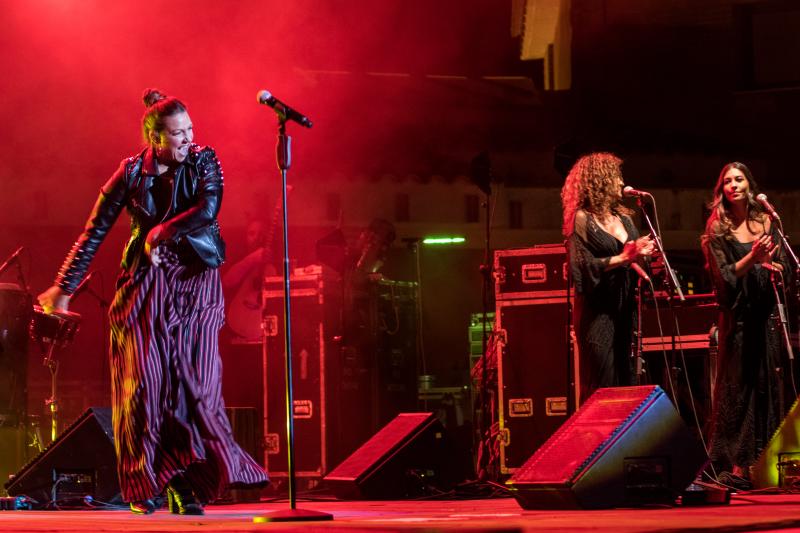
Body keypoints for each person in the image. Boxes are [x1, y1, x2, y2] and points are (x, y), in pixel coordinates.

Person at [37, 88, 268, 514]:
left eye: (191, 130)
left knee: (195, 389)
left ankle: (186, 484)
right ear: (154, 138)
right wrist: (62, 288)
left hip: (197, 283)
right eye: (178, 134)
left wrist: (163, 231)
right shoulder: (129, 174)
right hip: (147, 285)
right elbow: (93, 234)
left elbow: (209, 209)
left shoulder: (205, 159)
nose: (188, 139)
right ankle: (148, 484)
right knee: (144, 385)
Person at [701, 162, 788, 485]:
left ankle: (767, 459)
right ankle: (735, 464)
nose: (734, 185)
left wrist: (771, 264)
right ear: (721, 189)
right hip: (737, 321)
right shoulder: (717, 229)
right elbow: (723, 278)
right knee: (738, 389)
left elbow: (782, 266)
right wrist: (753, 258)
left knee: (767, 385)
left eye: (739, 180)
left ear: (749, 185)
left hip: (764, 318)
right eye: (727, 181)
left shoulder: (766, 220)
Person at [561, 152, 655, 402]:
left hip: (624, 310)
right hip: (598, 313)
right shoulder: (581, 219)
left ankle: (627, 441)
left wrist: (643, 254)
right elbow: (581, 267)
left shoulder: (624, 218)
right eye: (616, 177)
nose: (621, 182)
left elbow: (633, 257)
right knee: (603, 383)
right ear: (599, 180)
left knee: (627, 381)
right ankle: (600, 440)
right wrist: (624, 258)